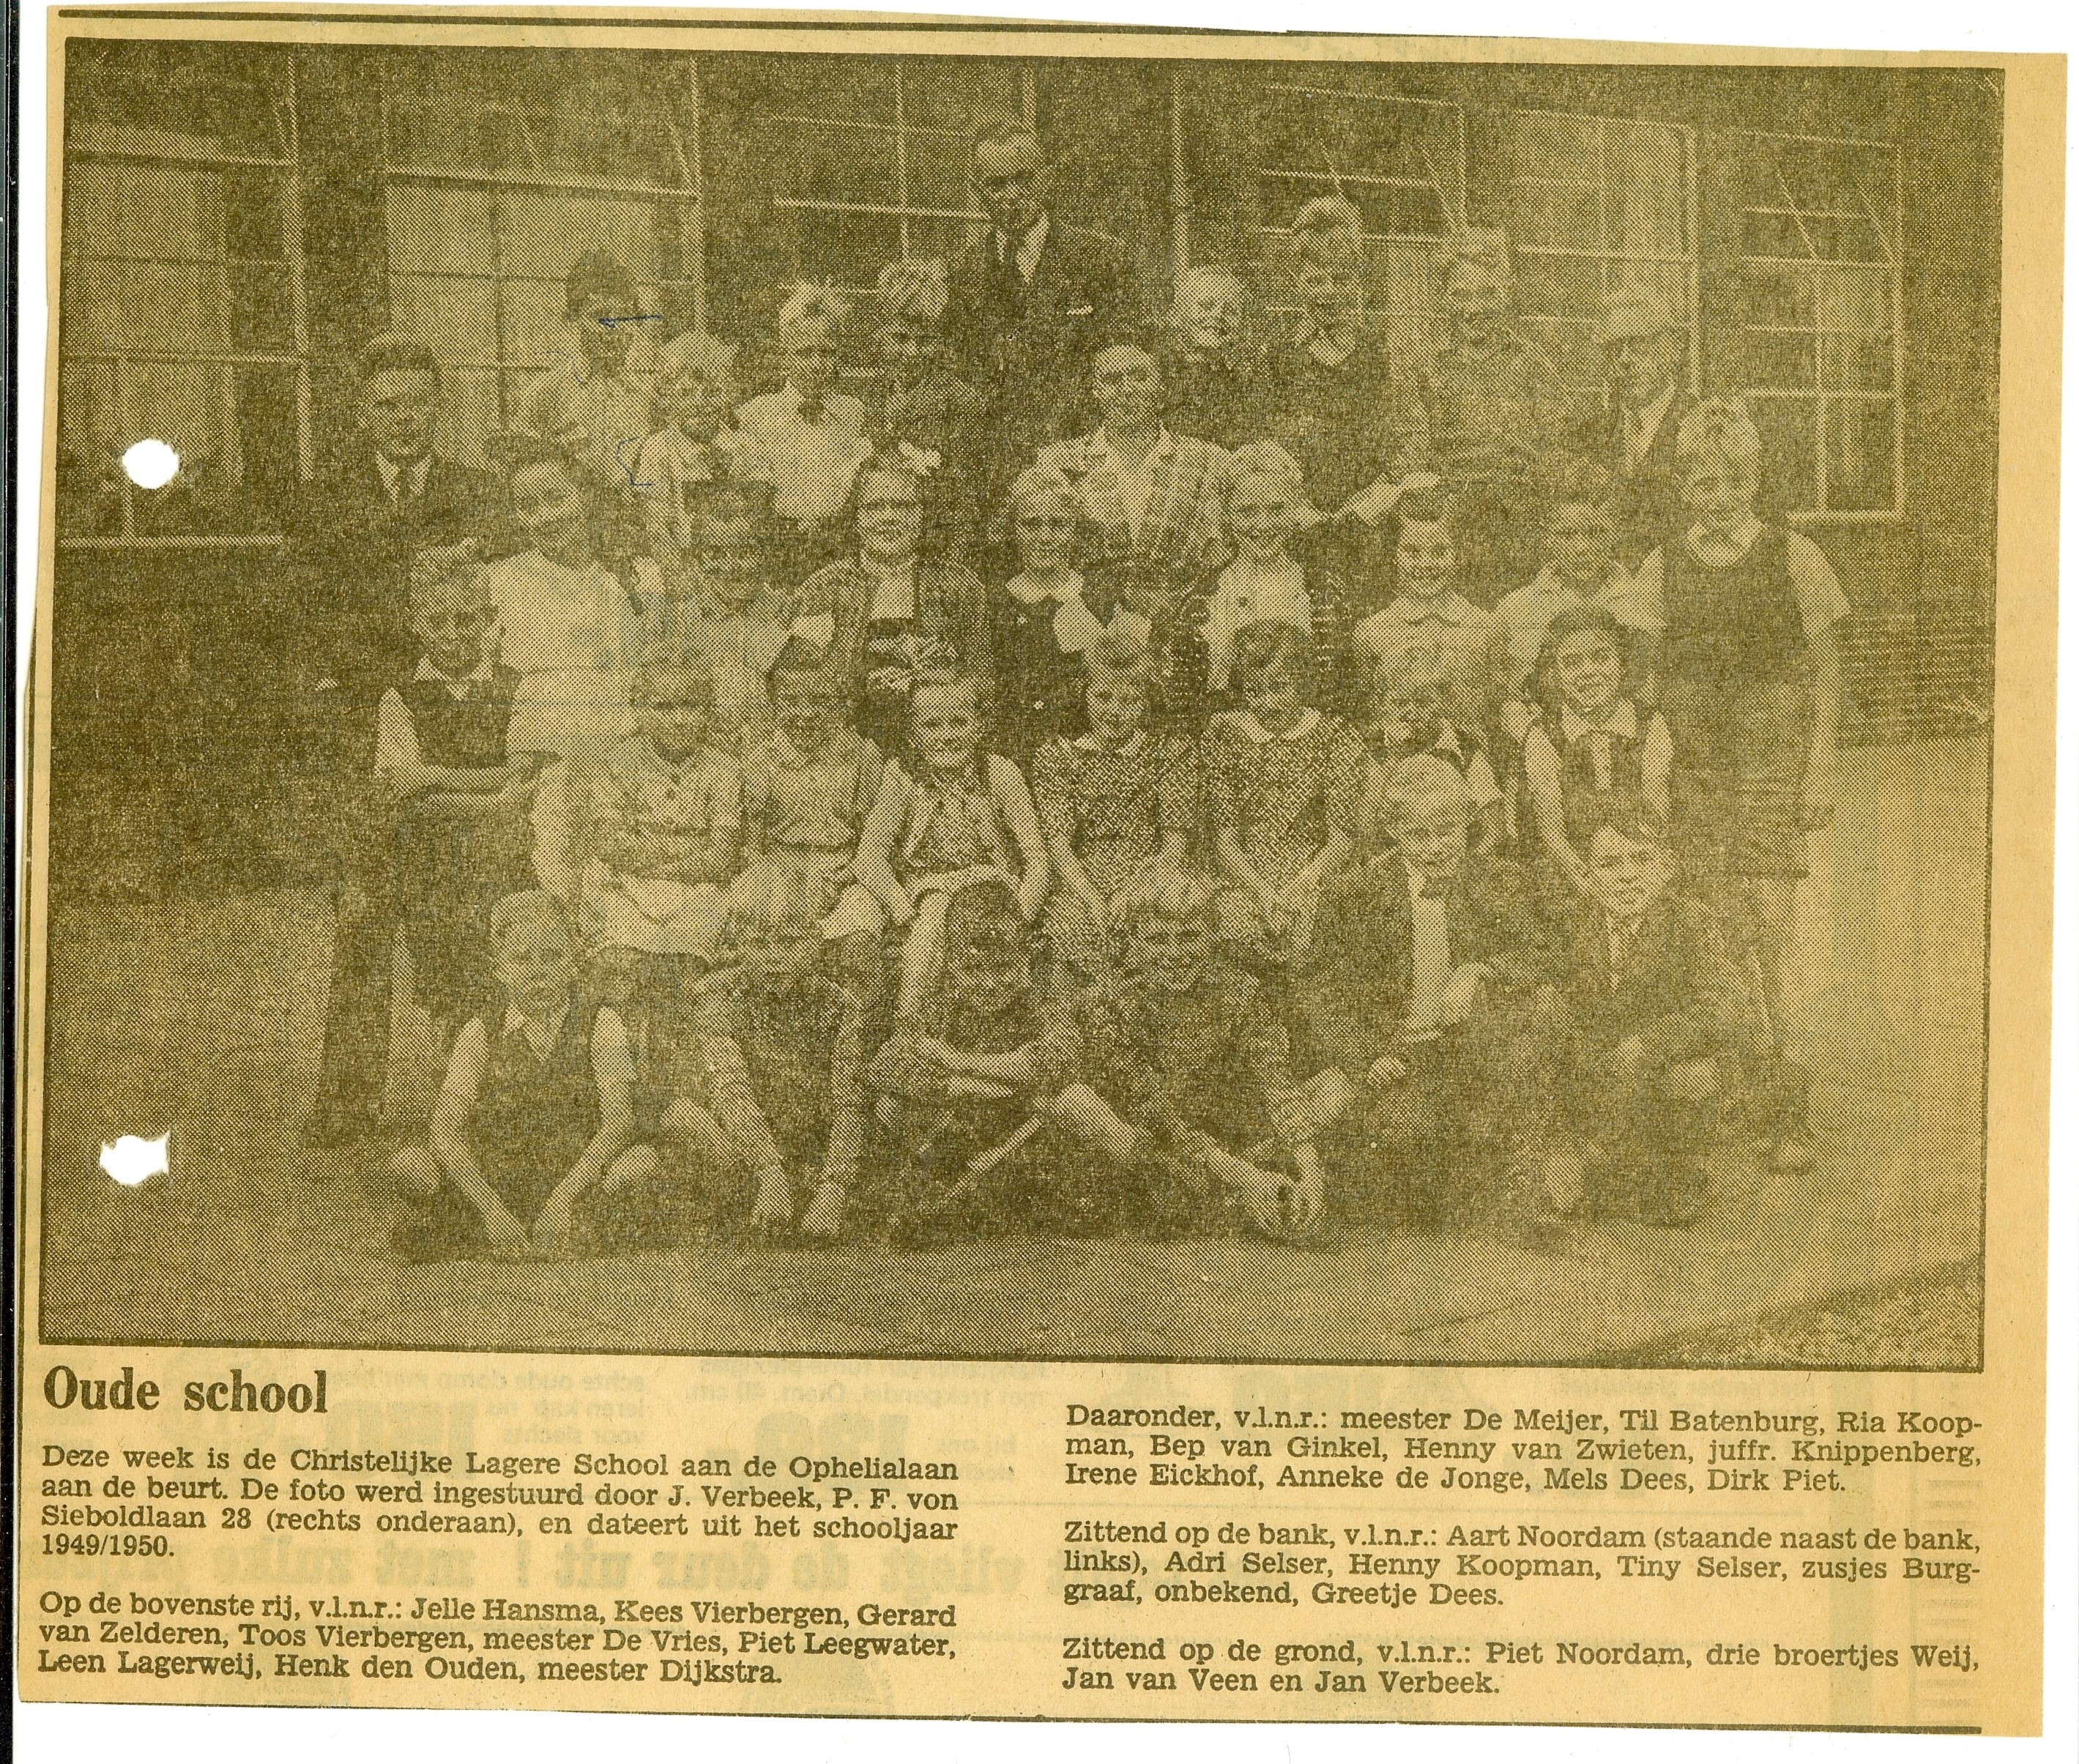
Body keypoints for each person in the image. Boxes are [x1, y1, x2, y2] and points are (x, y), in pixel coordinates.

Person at [295, 335, 499, 1145]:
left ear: (439, 406)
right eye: (387, 404)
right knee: (365, 910)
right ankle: (347, 1100)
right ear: (362, 413)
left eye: (417, 402)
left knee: (463, 906)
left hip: (456, 728)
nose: (403, 418)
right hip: (363, 730)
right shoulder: (326, 502)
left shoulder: (477, 493)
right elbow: (306, 620)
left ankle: (482, 1089)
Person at [1637, 398, 1845, 1170]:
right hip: (1697, 773)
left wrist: (1820, 766)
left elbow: (1827, 673)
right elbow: (1650, 676)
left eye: (1727, 482)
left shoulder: (1793, 555)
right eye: (1699, 483)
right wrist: (1658, 759)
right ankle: (1741, 1090)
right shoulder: (1662, 563)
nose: (1714, 496)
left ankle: (1788, 1110)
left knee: (1769, 930)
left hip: (1769, 771)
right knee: (1715, 932)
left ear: (1751, 480)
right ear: (1683, 488)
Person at [1294, 754, 1561, 1234]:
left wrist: (1480, 969)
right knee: (1405, 1168)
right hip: (1395, 1054)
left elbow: (1540, 951)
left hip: (1469, 1048)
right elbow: (1319, 988)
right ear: (1394, 831)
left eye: (1447, 831)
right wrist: (1364, 1055)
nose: (1436, 847)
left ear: (1467, 823)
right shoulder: (1356, 892)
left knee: (1477, 1168)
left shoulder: (1500, 879)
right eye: (1419, 835)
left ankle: (1510, 1189)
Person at [1065, 861, 1327, 1238]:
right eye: (1157, 940)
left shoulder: (1240, 992)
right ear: (1133, 943)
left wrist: (1309, 1166)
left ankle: (1258, 1191)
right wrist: (1243, 1176)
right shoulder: (1107, 1003)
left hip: (1218, 1134)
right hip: (1151, 1139)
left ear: (1211, 938)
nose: (1174, 955)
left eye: (1188, 938)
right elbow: (1151, 1108)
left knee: (1329, 1094)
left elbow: (1276, 1080)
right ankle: (1233, 1197)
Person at [387, 891, 650, 1262]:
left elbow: (618, 1121)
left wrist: (563, 1197)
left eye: (552, 957)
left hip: (573, 1172)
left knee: (637, 1164)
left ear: (574, 963)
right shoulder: (482, 1029)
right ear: (499, 967)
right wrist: (493, 1210)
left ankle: (569, 1224)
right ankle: (487, 1227)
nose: (539, 973)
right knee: (410, 1164)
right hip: (498, 1177)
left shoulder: (600, 1021)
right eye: (523, 960)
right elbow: (444, 1129)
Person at [1549, 795, 1763, 1225]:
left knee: (1691, 1081)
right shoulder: (1574, 925)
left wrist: (1648, 1043)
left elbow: (1724, 1007)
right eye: (1611, 864)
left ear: (1664, 867)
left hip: (1667, 1060)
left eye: (1640, 859)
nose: (1627, 875)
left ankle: (1672, 1171)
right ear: (1588, 876)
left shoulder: (1691, 922)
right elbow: (1561, 1001)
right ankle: (1599, 1159)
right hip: (1602, 1062)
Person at [856, 878, 1087, 1244]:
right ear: (949, 962)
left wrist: (952, 1060)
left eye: (1002, 969)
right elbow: (886, 1064)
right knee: (890, 1107)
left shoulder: (1040, 1005)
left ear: (1025, 961)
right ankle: (942, 1197)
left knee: (1078, 1103)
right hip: (960, 1123)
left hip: (1026, 1125)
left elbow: (1058, 1060)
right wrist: (955, 1084)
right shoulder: (941, 1009)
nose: (988, 984)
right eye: (973, 969)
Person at [669, 862, 874, 1239]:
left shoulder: (841, 1004)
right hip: (746, 1140)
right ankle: (756, 1196)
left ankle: (821, 1192)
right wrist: (770, 1169)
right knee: (684, 1116)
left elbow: (848, 1101)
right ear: (738, 943)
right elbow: (732, 1092)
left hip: (812, 1135)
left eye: (791, 941)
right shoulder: (715, 997)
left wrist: (834, 1188)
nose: (776, 956)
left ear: (816, 938)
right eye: (760, 943)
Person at [1037, 339, 1232, 721]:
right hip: (1089, 630)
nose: (1126, 390)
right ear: (1095, 392)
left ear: (1159, 389)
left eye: (1138, 377)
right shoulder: (1060, 462)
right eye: (1112, 380)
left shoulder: (1209, 461)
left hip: (1179, 634)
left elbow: (1221, 557)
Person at [944, 119, 1139, 480]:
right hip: (993, 465)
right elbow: (961, 372)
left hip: (1083, 461)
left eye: (1024, 178)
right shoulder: (964, 272)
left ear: (1046, 178)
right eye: (997, 184)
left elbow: (1126, 363)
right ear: (980, 191)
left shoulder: (1100, 258)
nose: (1012, 194)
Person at [851, 666, 1049, 1021]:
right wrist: (901, 908)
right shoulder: (902, 776)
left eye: (957, 722)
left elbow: (1036, 859)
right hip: (928, 892)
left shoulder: (999, 771)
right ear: (914, 733)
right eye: (932, 726)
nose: (946, 736)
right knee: (935, 913)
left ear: (979, 725)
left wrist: (1019, 914)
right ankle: (909, 1027)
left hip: (994, 893)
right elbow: (869, 859)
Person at [534, 660, 743, 975]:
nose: (678, 720)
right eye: (662, 707)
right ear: (637, 708)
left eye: (690, 706)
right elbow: (611, 845)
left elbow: (721, 857)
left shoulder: (722, 768)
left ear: (708, 711)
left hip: (698, 888)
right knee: (620, 964)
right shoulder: (619, 762)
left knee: (688, 965)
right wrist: (683, 850)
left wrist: (660, 858)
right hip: (627, 886)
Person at [792, 449, 995, 758]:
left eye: (902, 505)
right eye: (875, 507)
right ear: (857, 516)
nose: (889, 518)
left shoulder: (960, 585)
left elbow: (983, 681)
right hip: (845, 756)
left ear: (922, 512)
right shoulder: (824, 587)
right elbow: (798, 680)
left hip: (940, 751)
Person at [1413, 231, 1577, 603]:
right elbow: (1417, 453)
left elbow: (1561, 449)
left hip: (1522, 527)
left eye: (1485, 294)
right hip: (1453, 533)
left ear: (1504, 294)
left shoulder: (1532, 365)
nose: (1473, 310)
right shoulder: (1431, 370)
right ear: (1445, 299)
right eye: (1461, 296)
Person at [1029, 632, 1198, 989]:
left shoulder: (1169, 753)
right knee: (1071, 935)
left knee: (1165, 932)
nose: (1114, 712)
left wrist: (1134, 892)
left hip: (1152, 877)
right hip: (1081, 883)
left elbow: (1174, 842)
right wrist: (1093, 899)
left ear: (1145, 703)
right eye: (1103, 697)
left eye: (1129, 701)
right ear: (1085, 695)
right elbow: (1059, 844)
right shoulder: (1056, 757)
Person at [1254, 198, 1430, 526]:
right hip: (1296, 523)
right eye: (1316, 281)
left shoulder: (1387, 354)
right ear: (1297, 284)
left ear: (1358, 283)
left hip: (1375, 521)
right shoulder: (1275, 360)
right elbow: (1263, 446)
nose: (1329, 293)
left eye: (1341, 280)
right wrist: (1300, 510)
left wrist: (1370, 504)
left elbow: (1414, 436)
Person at [1202, 620, 1366, 972]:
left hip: (1316, 870)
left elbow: (1341, 837)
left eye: (1280, 687)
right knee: (1235, 925)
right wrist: (1262, 889)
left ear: (1303, 681)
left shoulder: (1333, 736)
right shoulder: (1226, 736)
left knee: (1313, 931)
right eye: (1255, 691)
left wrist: (1300, 884)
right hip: (1245, 873)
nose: (1268, 703)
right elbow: (1226, 839)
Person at [483, 444, 655, 767]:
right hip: (539, 748)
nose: (544, 517)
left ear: (584, 497)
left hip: (623, 747)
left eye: (556, 498)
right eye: (528, 505)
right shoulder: (500, 579)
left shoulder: (637, 575)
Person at [740, 637, 887, 997]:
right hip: (777, 875)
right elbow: (751, 847)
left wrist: (842, 879)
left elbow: (874, 839)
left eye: (821, 702)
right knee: (764, 940)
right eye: (792, 703)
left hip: (847, 875)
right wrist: (788, 886)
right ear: (774, 706)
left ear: (843, 705)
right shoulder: (763, 759)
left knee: (859, 950)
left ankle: (851, 1038)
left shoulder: (862, 755)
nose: (806, 715)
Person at [1492, 460, 1662, 748]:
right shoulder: (1515, 609)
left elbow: (1653, 692)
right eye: (1567, 535)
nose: (1582, 548)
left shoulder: (1644, 600)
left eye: (1594, 533)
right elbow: (1505, 698)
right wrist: (1540, 743)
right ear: (1547, 538)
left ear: (1614, 534)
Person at [1193, 440, 1362, 724]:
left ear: (1295, 510)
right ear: (1227, 514)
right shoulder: (1203, 595)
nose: (1262, 525)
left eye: (1276, 510)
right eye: (1247, 511)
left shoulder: (1324, 591)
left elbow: (1341, 695)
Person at [992, 461, 1151, 762]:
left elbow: (1130, 683)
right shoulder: (995, 601)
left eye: (1058, 524)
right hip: (1013, 754)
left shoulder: (1103, 599)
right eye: (1032, 524)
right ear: (1014, 528)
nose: (1045, 537)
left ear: (1075, 529)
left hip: (1088, 758)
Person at [1521, 604, 1673, 907]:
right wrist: (1588, 882)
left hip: (1640, 867)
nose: (1588, 672)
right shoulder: (1544, 735)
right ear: (1555, 672)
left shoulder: (1650, 724)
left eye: (1601, 657)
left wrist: (1643, 878)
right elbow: (1552, 831)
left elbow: (1658, 813)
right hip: (1574, 876)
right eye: (1573, 662)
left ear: (1622, 663)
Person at [729, 284, 874, 585]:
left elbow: (856, 486)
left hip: (841, 552)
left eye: (827, 353)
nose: (817, 365)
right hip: (781, 555)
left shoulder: (852, 412)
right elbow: (757, 497)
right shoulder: (756, 415)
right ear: (784, 357)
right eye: (806, 353)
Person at [646, 474, 792, 752]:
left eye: (746, 551)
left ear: (767, 553)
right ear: (697, 558)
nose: (731, 566)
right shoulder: (674, 619)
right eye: (715, 553)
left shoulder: (786, 613)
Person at [1351, 486, 1503, 749]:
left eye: (1439, 551)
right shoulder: (1371, 632)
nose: (1426, 564)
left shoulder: (1486, 627)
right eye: (1412, 552)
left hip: (1470, 771)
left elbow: (1497, 712)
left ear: (1457, 554)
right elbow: (1367, 719)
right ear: (1394, 556)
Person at [871, 258, 992, 567]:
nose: (911, 352)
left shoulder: (961, 400)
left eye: (924, 341)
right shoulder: (873, 397)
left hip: (939, 545)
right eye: (900, 339)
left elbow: (967, 495)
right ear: (880, 337)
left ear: (939, 343)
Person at [515, 251, 661, 495]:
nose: (612, 329)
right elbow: (520, 469)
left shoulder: (647, 397)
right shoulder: (547, 391)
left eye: (624, 317)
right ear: (573, 319)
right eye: (599, 316)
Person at [1366, 650, 1503, 855]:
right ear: (1383, 704)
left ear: (1440, 701)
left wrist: (1460, 867)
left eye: (1423, 702)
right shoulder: (1375, 747)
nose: (1411, 713)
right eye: (1400, 703)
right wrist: (1394, 757)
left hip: (1455, 861)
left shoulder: (1464, 747)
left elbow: (1493, 829)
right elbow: (1366, 827)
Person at [633, 330, 743, 586]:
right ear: (668, 398)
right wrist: (688, 578)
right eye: (686, 393)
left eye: (713, 392)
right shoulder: (658, 450)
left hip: (736, 565)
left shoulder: (739, 446)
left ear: (727, 395)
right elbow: (658, 531)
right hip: (685, 571)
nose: (700, 403)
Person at [1597, 286, 1695, 570]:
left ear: (1673, 350)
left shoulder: (1705, 425)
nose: (1625, 361)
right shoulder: (1593, 435)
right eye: (1615, 350)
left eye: (1639, 345)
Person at [1161, 266, 1260, 448]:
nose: (1217, 316)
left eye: (1230, 310)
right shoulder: (1162, 372)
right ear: (1182, 312)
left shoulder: (1242, 379)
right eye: (1206, 306)